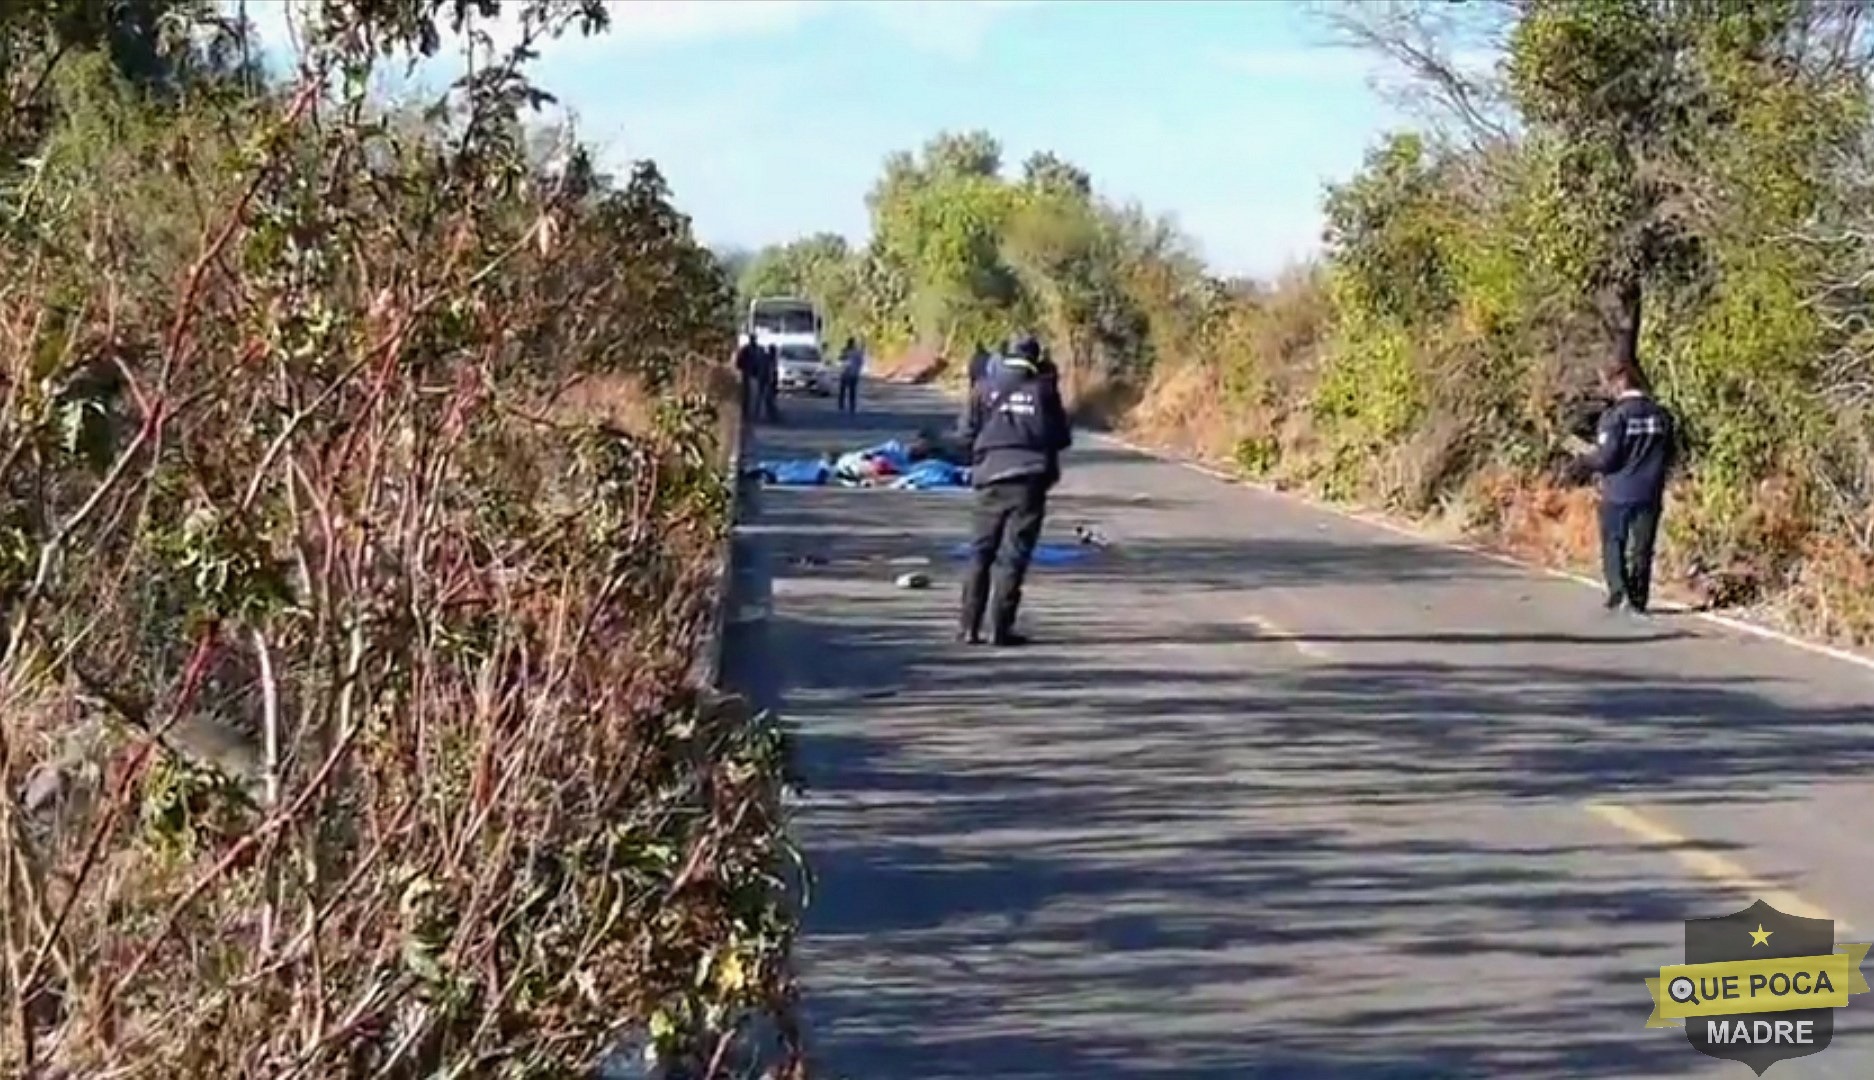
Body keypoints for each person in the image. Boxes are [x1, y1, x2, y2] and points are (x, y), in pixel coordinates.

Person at [956, 334, 1072, 646]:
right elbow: (1062, 438)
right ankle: (1000, 629)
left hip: (989, 479)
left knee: (980, 553)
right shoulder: (1044, 391)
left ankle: (969, 627)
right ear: (1035, 359)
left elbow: (965, 435)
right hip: (1030, 480)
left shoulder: (982, 388)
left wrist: (980, 459)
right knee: (1013, 556)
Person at [1572, 359, 1676, 614]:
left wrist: (1583, 463)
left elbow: (1607, 457)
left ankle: (1619, 592)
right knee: (1642, 546)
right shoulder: (1661, 414)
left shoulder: (1615, 417)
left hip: (1619, 491)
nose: (1606, 389)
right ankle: (1639, 598)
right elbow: (1671, 453)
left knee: (1614, 542)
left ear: (1619, 382)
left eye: (1607, 383)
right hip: (1650, 490)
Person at [734, 334, 764, 420]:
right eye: (752, 339)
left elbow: (762, 362)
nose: (753, 340)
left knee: (753, 395)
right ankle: (748, 413)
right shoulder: (747, 350)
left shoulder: (756, 349)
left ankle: (753, 413)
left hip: (755, 375)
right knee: (748, 395)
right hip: (749, 374)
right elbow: (739, 362)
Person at [837, 336, 865, 413]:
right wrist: (858, 370)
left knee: (843, 390)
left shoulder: (845, 351)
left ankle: (842, 405)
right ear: (853, 344)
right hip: (852, 374)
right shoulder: (856, 352)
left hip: (846, 373)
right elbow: (861, 362)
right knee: (851, 391)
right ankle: (851, 406)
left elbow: (840, 360)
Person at [760, 343, 781, 422]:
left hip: (770, 381)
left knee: (769, 399)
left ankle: (771, 415)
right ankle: (771, 415)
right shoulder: (769, 359)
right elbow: (769, 371)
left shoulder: (771, 359)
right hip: (768, 381)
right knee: (768, 399)